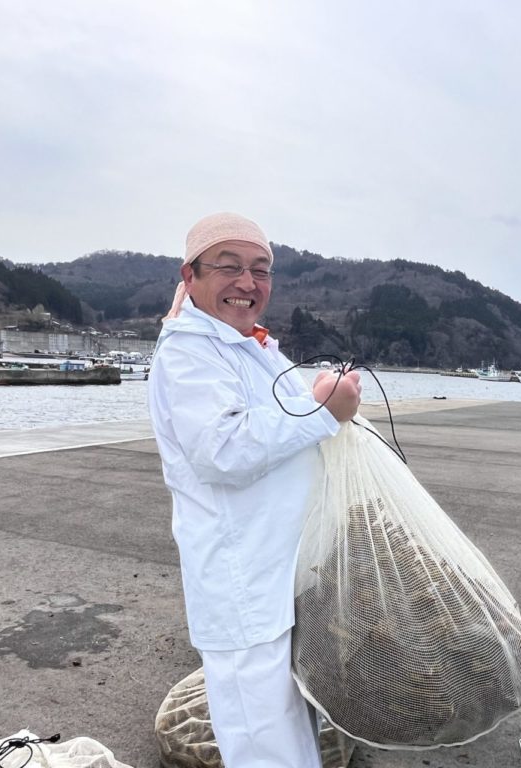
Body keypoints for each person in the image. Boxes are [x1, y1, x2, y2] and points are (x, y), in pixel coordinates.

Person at [148, 212, 361, 767]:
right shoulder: (189, 353)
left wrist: (322, 395)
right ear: (189, 276)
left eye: (260, 270)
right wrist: (323, 412)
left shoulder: (251, 344)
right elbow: (222, 451)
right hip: (241, 577)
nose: (248, 283)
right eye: (229, 267)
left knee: (292, 723)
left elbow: (294, 407)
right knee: (261, 733)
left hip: (283, 570)